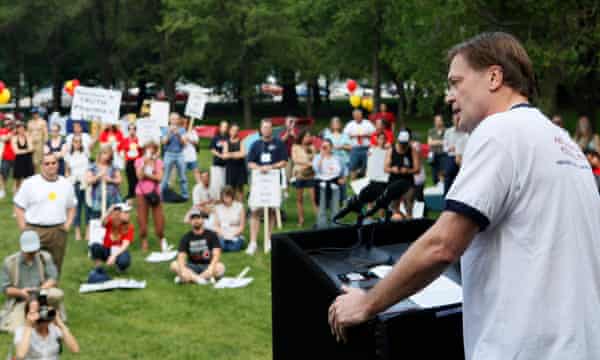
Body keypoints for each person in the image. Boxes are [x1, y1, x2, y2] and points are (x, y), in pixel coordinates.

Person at [328, 32, 600, 360]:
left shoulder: (500, 131)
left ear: (494, 77)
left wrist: (367, 303)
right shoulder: (563, 141)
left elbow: (443, 246)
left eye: (456, 82)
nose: (449, 96)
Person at [14, 153, 76, 274]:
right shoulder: (30, 183)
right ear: (41, 166)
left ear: (58, 164)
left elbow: (72, 207)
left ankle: (50, 290)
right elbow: (18, 207)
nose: (51, 166)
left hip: (58, 231)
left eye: (53, 163)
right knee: (30, 265)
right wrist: (24, 229)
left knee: (55, 266)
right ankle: (31, 291)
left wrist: (67, 226)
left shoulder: (66, 184)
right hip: (34, 229)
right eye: (47, 163)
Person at [0, 231, 62, 333]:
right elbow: (6, 289)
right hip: (21, 301)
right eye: (29, 251)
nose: (32, 253)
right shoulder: (9, 262)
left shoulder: (45, 257)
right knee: (14, 329)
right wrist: (21, 293)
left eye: (34, 250)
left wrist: (40, 289)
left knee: (57, 294)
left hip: (43, 297)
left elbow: (53, 278)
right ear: (21, 248)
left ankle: (49, 315)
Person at [246, 119, 288, 255]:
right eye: (264, 128)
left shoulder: (279, 143)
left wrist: (271, 167)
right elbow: (250, 163)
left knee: (271, 209)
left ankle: (268, 239)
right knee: (255, 210)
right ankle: (252, 242)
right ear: (260, 129)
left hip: (273, 181)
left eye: (269, 128)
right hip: (259, 181)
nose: (266, 130)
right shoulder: (255, 145)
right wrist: (259, 168)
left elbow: (284, 162)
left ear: (271, 129)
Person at [170, 208, 225, 284]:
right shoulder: (186, 237)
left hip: (207, 265)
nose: (196, 220)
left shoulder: (212, 235)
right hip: (192, 266)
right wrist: (182, 270)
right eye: (193, 218)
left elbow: (216, 254)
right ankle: (201, 279)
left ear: (202, 219)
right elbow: (181, 256)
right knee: (174, 265)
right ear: (190, 221)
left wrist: (211, 267)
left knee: (220, 267)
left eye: (198, 217)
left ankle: (189, 278)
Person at [13, 297, 79, 359]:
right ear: (27, 315)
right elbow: (20, 355)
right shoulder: (22, 331)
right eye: (36, 311)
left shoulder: (54, 329)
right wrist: (29, 326)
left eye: (42, 311)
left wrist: (60, 323)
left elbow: (75, 349)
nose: (40, 315)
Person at [135, 141, 166, 252]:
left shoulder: (158, 162)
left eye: (152, 148)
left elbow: (159, 178)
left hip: (155, 192)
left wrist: (147, 175)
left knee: (159, 219)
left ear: (155, 149)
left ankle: (161, 238)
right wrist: (145, 164)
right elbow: (139, 176)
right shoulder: (139, 161)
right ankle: (144, 240)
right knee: (142, 219)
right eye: (148, 147)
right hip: (141, 193)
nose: (150, 150)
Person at [384, 130, 420, 219]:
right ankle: (401, 220)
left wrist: (408, 171)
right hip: (394, 180)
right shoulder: (391, 150)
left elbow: (417, 169)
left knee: (409, 207)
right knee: (394, 208)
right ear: (398, 141)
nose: (403, 146)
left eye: (405, 144)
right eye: (401, 144)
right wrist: (393, 169)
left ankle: (408, 221)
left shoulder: (412, 151)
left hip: (407, 181)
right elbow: (385, 168)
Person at [90, 203, 133, 272]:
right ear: (118, 214)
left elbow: (125, 245)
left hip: (119, 251)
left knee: (124, 261)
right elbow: (101, 222)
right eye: (125, 212)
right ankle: (98, 268)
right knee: (95, 246)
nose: (128, 215)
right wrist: (109, 211)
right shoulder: (110, 221)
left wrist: (114, 256)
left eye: (128, 212)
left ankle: (120, 268)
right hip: (107, 249)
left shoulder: (129, 227)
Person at [85, 144, 122, 224]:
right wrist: (98, 176)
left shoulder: (114, 167)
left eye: (108, 153)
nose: (105, 156)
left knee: (113, 222)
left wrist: (110, 180)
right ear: (100, 154)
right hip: (98, 200)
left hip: (113, 199)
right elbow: (88, 180)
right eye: (104, 153)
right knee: (96, 222)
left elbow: (119, 180)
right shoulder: (93, 167)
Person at [312, 139, 345, 228]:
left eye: (327, 146)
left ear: (331, 148)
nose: (325, 148)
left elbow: (343, 169)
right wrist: (322, 156)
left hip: (334, 183)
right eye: (323, 146)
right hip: (321, 183)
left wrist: (342, 178)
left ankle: (335, 225)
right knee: (322, 206)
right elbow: (316, 169)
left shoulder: (337, 158)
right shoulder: (318, 157)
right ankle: (322, 226)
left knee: (335, 206)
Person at [64, 135, 90, 241]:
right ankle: (77, 231)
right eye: (75, 142)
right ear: (72, 143)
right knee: (76, 208)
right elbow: (67, 171)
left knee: (88, 207)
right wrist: (69, 179)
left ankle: (88, 230)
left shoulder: (86, 153)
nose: (77, 144)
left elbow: (89, 168)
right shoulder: (68, 156)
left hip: (86, 182)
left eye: (79, 142)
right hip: (74, 183)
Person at [291, 130, 317, 227]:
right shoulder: (295, 147)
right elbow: (295, 159)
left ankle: (319, 219)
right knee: (299, 199)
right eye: (306, 136)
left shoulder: (312, 147)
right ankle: (301, 219)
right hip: (299, 175)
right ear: (302, 137)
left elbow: (315, 159)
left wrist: (309, 164)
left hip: (310, 175)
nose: (308, 138)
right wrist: (308, 163)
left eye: (309, 136)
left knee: (314, 198)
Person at [323, 117, 352, 202]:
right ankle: (332, 199)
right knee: (333, 180)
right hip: (331, 161)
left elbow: (350, 147)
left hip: (343, 161)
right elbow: (324, 147)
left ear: (340, 125)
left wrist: (342, 147)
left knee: (343, 181)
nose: (336, 125)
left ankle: (343, 198)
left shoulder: (345, 135)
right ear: (331, 125)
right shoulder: (328, 135)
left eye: (337, 123)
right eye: (334, 123)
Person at [160, 113, 189, 199]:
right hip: (168, 154)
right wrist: (170, 132)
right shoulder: (165, 129)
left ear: (179, 120)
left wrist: (178, 134)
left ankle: (185, 195)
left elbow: (184, 144)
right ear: (169, 120)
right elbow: (164, 142)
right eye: (172, 119)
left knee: (183, 176)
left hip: (179, 154)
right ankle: (161, 194)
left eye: (176, 119)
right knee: (165, 176)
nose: (174, 121)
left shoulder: (182, 130)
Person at [344, 109, 375, 179]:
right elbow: (345, 137)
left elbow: (374, 135)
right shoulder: (350, 125)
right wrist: (352, 136)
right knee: (353, 166)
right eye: (355, 115)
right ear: (353, 116)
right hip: (355, 148)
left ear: (362, 115)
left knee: (367, 166)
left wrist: (366, 135)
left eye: (359, 115)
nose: (357, 117)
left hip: (366, 148)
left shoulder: (368, 123)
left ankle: (366, 182)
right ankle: (353, 182)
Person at [213, 186, 246, 252]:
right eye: (224, 196)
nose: (226, 199)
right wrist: (222, 234)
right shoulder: (217, 207)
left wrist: (234, 234)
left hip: (235, 233)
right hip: (222, 234)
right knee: (221, 245)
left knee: (234, 248)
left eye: (228, 196)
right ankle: (224, 245)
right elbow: (216, 226)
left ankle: (230, 245)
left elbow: (242, 226)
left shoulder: (240, 206)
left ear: (232, 196)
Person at [442, 113, 469, 194]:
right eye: (455, 120)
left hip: (464, 156)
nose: (457, 121)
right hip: (452, 155)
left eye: (459, 119)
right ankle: (446, 194)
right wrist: (450, 148)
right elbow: (444, 148)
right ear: (452, 121)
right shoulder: (448, 132)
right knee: (449, 173)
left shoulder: (466, 132)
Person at [223, 123, 247, 201]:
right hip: (230, 168)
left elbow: (243, 154)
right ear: (230, 131)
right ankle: (232, 205)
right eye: (233, 130)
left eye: (236, 130)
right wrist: (236, 154)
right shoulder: (226, 142)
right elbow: (224, 156)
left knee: (240, 188)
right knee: (230, 188)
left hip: (240, 168)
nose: (234, 132)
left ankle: (240, 204)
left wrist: (230, 154)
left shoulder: (241, 141)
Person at [118, 123, 141, 201]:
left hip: (137, 161)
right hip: (129, 161)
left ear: (136, 130)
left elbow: (142, 150)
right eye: (130, 129)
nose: (132, 131)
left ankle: (138, 193)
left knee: (137, 178)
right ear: (128, 131)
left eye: (134, 129)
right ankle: (131, 194)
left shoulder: (139, 140)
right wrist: (123, 158)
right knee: (130, 178)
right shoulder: (125, 140)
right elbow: (119, 149)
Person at [12, 122, 35, 192]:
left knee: (29, 179)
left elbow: (32, 148)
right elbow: (16, 151)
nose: (21, 130)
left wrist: (27, 137)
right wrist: (27, 150)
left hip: (28, 160)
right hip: (19, 161)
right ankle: (16, 195)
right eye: (20, 128)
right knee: (17, 180)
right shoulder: (14, 138)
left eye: (23, 128)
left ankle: (27, 194)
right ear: (17, 129)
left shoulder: (28, 137)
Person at [209, 120, 229, 200]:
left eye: (226, 127)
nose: (224, 128)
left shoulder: (229, 137)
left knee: (225, 183)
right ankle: (216, 198)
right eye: (223, 126)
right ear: (220, 128)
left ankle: (225, 197)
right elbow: (212, 149)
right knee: (216, 184)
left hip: (227, 164)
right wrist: (220, 155)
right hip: (217, 164)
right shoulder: (215, 137)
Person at [427, 114, 446, 185]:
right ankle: (436, 185)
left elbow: (447, 142)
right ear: (434, 122)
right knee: (434, 173)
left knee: (443, 172)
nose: (438, 122)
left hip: (443, 154)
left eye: (440, 120)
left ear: (442, 121)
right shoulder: (431, 131)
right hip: (433, 154)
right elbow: (430, 143)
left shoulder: (446, 131)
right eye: (437, 121)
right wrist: (441, 142)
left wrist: (435, 141)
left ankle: (442, 186)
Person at [182, 117, 201, 185]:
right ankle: (184, 185)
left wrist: (189, 139)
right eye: (183, 123)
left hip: (192, 156)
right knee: (183, 173)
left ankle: (199, 184)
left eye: (186, 123)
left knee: (196, 171)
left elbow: (196, 142)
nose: (185, 125)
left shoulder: (193, 132)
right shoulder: (180, 132)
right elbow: (181, 144)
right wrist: (184, 140)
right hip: (183, 156)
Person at [0, 118, 16, 198]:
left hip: (16, 156)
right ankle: (2, 190)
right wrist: (11, 133)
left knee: (17, 175)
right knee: (3, 175)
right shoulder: (2, 130)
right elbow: (3, 139)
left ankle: (14, 189)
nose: (8, 126)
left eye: (9, 124)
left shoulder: (16, 131)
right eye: (6, 124)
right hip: (6, 157)